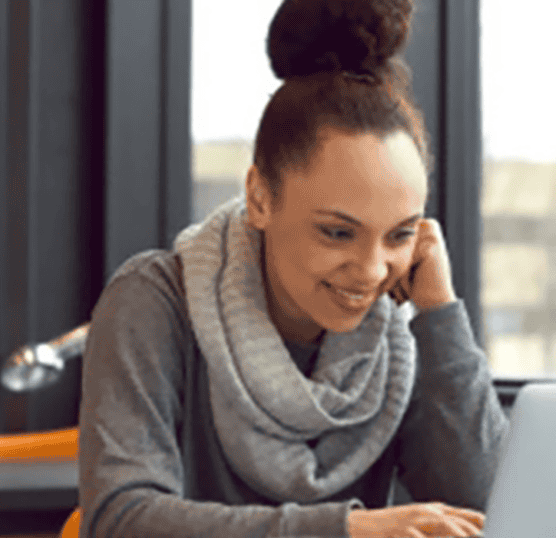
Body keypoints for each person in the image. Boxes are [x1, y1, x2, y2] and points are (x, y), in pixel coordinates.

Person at [77, 1, 507, 536]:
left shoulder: (400, 335)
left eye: (399, 234)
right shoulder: (154, 301)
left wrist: (440, 313)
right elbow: (121, 520)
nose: (373, 271)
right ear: (260, 197)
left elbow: (490, 511)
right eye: (337, 232)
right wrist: (346, 532)